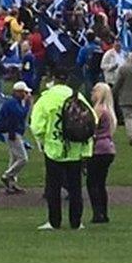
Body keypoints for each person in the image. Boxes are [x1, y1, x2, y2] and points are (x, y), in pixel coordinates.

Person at [30, 76, 96, 230]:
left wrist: (44, 140)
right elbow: (93, 119)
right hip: (75, 149)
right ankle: (76, 221)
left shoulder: (46, 99)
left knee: (53, 187)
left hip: (54, 149)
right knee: (75, 187)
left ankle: (54, 221)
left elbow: (36, 126)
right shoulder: (77, 96)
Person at [0, 81, 33, 194]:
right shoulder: (12, 103)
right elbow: (19, 115)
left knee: (14, 158)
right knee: (23, 158)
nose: (26, 95)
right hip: (12, 132)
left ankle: (12, 184)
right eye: (24, 92)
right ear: (18, 92)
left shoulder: (15, 102)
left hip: (14, 132)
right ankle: (7, 176)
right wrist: (27, 105)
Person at [87, 82, 117, 223]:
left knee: (92, 182)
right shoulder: (109, 110)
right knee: (101, 183)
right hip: (108, 148)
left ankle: (97, 213)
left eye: (94, 91)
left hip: (98, 148)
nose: (92, 93)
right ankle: (104, 213)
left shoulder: (98, 110)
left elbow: (92, 129)